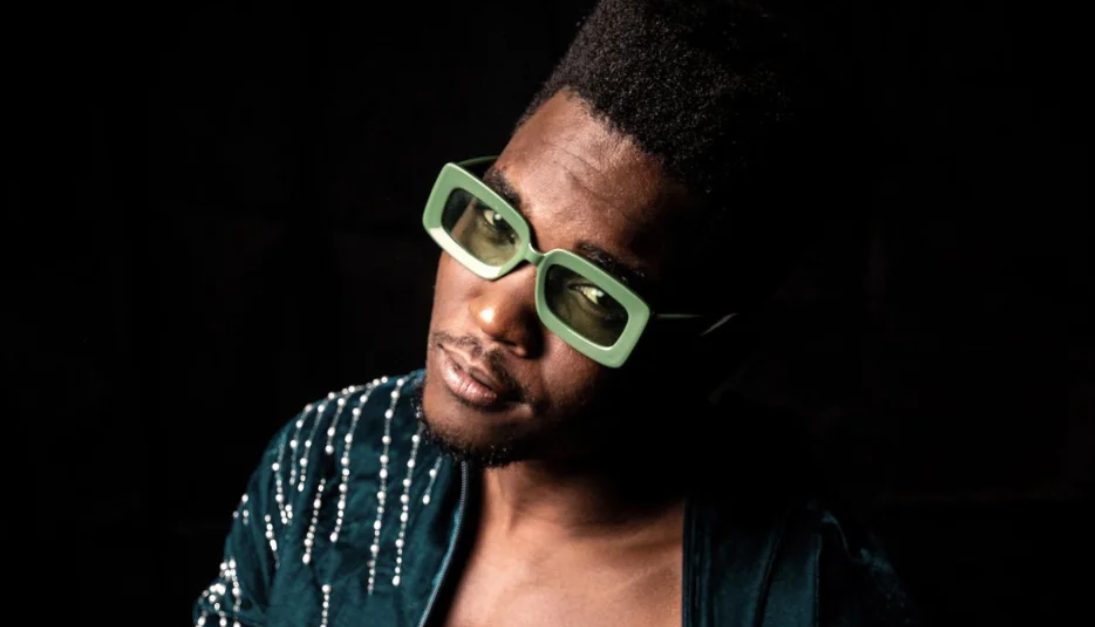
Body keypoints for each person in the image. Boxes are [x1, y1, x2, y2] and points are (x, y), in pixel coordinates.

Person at [192, 0, 921, 625]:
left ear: (707, 356)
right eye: (494, 222)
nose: (493, 317)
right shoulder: (330, 460)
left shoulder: (807, 598)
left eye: (593, 295)